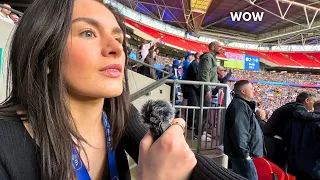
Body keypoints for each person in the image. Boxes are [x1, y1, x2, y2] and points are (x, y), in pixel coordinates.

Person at [0, 0, 247, 180]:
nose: (116, 50)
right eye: (88, 33)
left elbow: (191, 168)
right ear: (45, 54)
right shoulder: (5, 148)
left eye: (118, 39)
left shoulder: (119, 115)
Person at [263, 92, 320, 172]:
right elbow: (302, 115)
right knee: (279, 169)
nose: (313, 106)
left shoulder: (290, 106)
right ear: (307, 100)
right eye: (313, 102)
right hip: (276, 142)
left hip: (271, 139)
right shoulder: (297, 108)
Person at [224, 80, 263, 180]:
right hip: (242, 155)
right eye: (251, 89)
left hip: (241, 154)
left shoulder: (241, 105)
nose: (253, 91)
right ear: (243, 91)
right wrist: (245, 156)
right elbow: (240, 132)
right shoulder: (240, 106)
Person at [194, 42, 222, 141]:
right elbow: (204, 74)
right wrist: (208, 90)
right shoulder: (207, 58)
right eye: (219, 46)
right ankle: (199, 133)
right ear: (213, 47)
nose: (221, 48)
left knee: (205, 111)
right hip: (205, 89)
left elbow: (212, 75)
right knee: (203, 111)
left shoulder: (212, 58)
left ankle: (202, 132)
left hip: (206, 88)